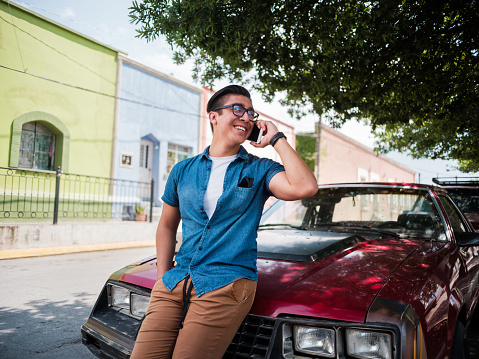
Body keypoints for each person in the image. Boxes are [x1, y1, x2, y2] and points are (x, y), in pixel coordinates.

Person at [130, 85, 318, 359]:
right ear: (213, 116)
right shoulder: (183, 169)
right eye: (237, 109)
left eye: (251, 113)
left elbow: (306, 187)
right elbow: (167, 225)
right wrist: (162, 277)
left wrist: (277, 138)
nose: (246, 118)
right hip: (176, 280)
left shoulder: (259, 169)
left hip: (225, 283)